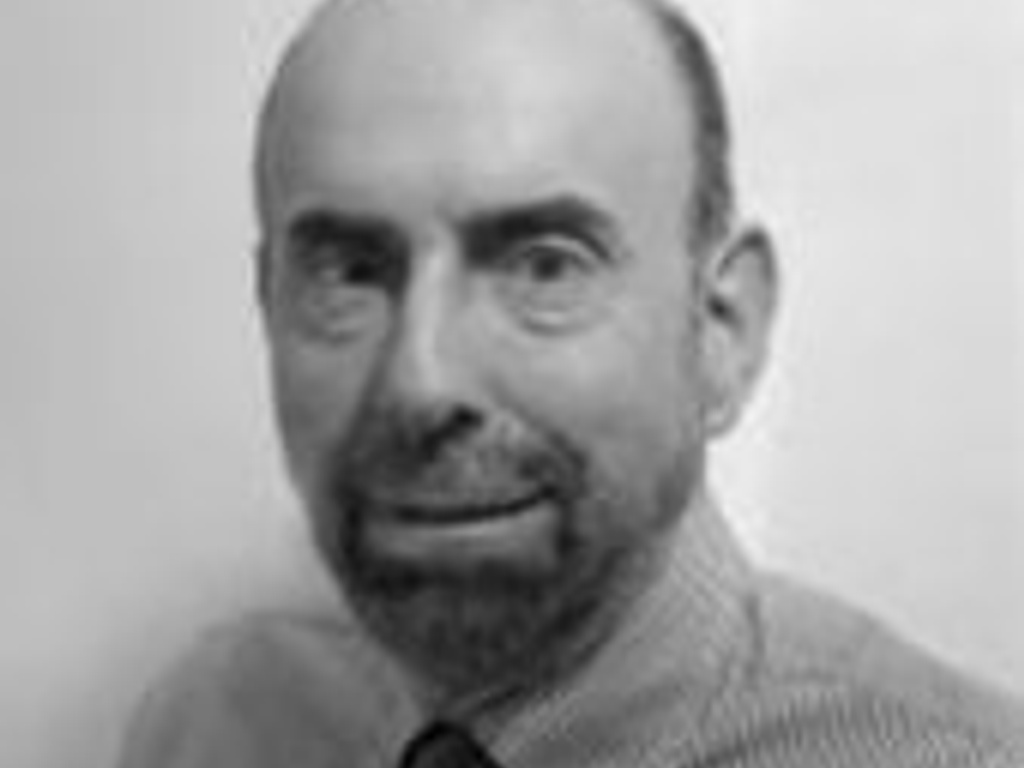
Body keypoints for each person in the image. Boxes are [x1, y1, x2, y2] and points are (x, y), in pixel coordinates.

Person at [119, 0, 1024, 765]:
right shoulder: (215, 723)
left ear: (723, 330)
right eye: (350, 273)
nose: (420, 383)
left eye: (546, 267)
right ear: (267, 304)